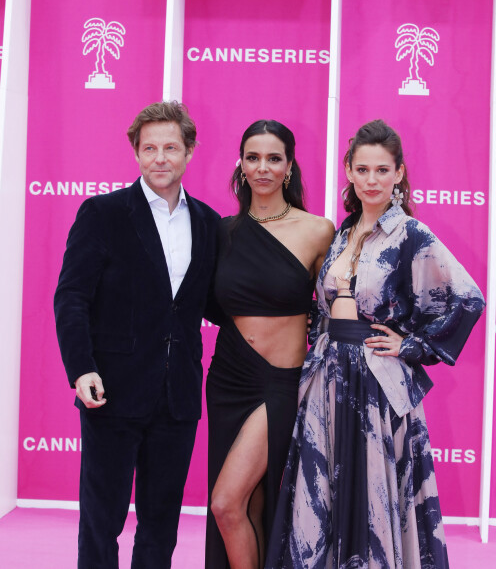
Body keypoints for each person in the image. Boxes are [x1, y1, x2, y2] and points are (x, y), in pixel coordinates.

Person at [265, 119, 485, 569]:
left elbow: (468, 299)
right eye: (362, 169)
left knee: (375, 500)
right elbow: (322, 309)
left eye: (382, 170)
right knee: (318, 493)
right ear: (348, 171)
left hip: (377, 388)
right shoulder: (339, 234)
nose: (371, 180)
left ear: (399, 174)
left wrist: (411, 345)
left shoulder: (411, 236)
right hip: (326, 383)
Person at [54, 101, 221, 569]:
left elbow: (212, 303)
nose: (160, 158)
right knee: (101, 520)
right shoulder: (103, 213)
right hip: (110, 390)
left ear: (189, 152)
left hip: (179, 397)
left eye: (171, 147)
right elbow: (71, 297)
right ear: (136, 153)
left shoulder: (208, 223)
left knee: (161, 523)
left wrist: (285, 316)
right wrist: (81, 367)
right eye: (150, 148)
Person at [204, 120, 335, 569]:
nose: (263, 167)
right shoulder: (222, 232)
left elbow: (339, 304)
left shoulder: (318, 230)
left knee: (228, 501)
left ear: (289, 166)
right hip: (227, 378)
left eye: (273, 158)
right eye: (253, 157)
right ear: (240, 165)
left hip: (281, 384)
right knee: (246, 505)